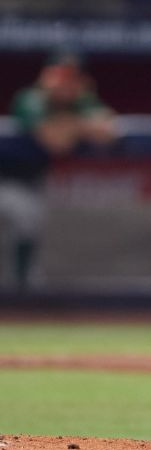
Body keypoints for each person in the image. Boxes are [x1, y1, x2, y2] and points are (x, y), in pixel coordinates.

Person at [1, 54, 115, 288]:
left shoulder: (80, 101)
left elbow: (108, 130)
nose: (64, 83)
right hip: (5, 176)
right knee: (26, 213)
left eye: (71, 77)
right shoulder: (31, 98)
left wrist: (75, 119)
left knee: (28, 216)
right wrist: (80, 125)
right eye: (59, 75)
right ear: (46, 76)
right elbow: (55, 140)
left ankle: (23, 286)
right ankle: (23, 284)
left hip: (25, 182)